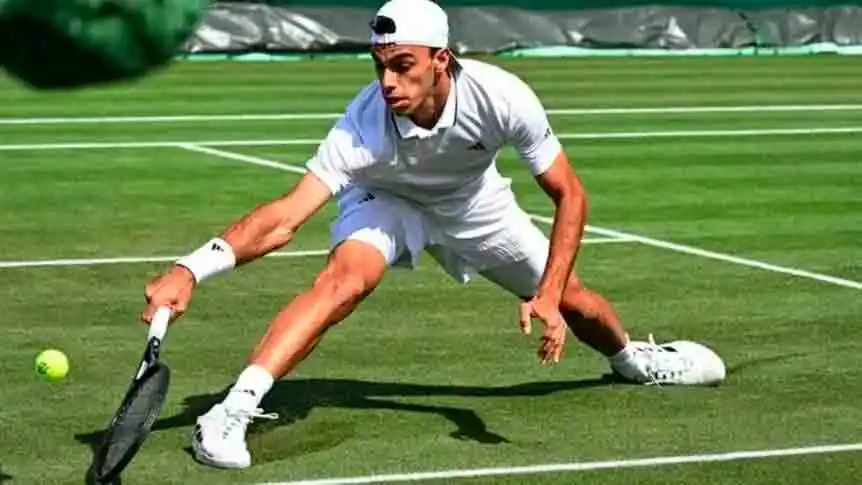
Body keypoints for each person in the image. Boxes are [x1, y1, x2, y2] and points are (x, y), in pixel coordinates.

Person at [141, 0, 726, 470]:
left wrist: (546, 294)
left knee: (575, 300)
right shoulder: (362, 125)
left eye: (403, 65)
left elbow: (570, 194)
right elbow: (285, 217)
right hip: (386, 199)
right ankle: (229, 412)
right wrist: (192, 268)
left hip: (474, 202)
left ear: (441, 60)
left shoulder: (502, 97)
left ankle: (634, 361)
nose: (388, 81)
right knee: (345, 281)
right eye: (379, 66)